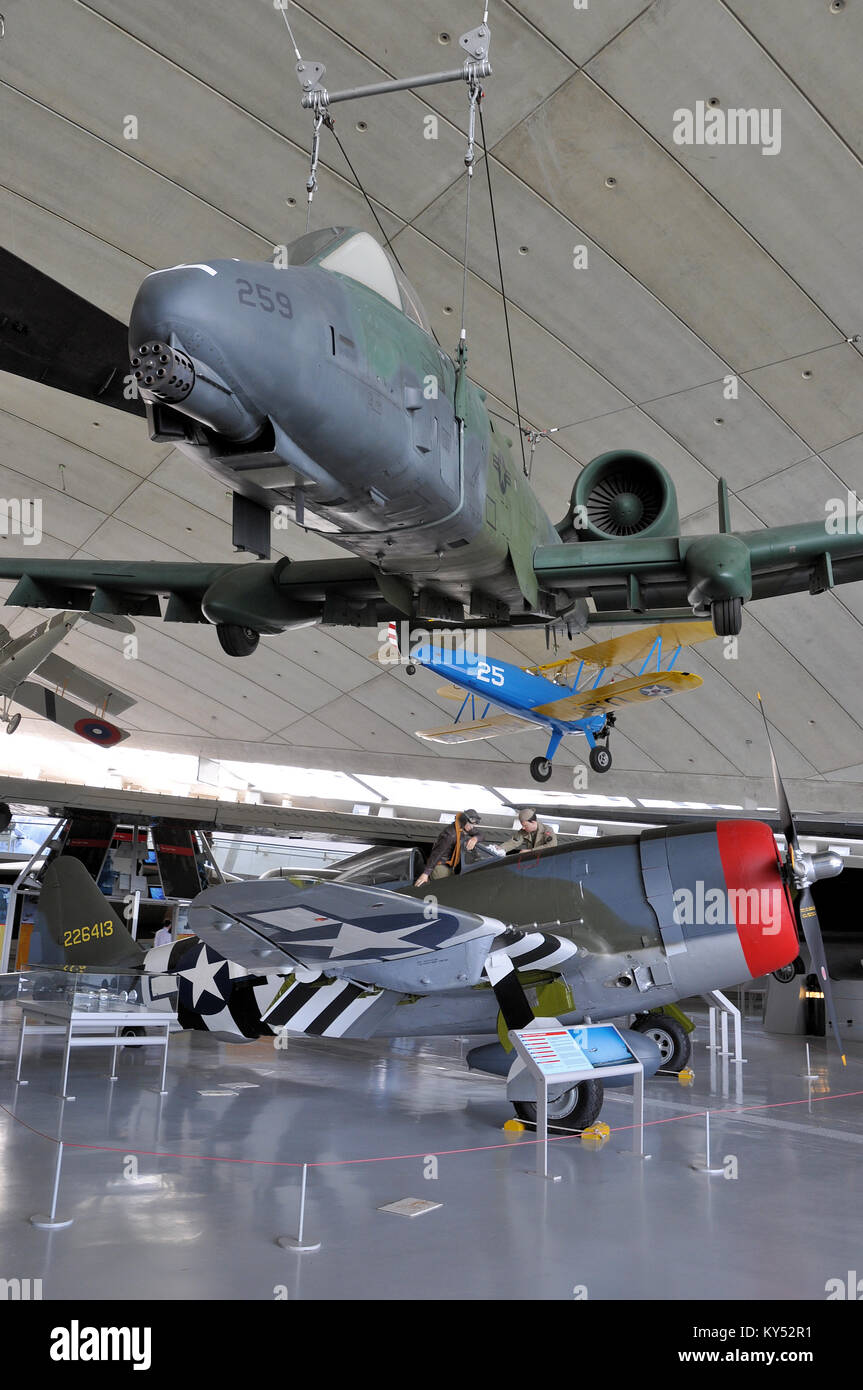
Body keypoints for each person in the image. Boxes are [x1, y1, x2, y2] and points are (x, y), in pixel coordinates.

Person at [415, 810, 481, 885]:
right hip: (441, 867)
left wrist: (475, 838)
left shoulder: (463, 828)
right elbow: (437, 854)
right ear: (464, 821)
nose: (472, 827)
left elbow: (481, 835)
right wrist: (426, 874)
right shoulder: (450, 835)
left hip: (450, 866)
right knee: (442, 888)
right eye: (471, 824)